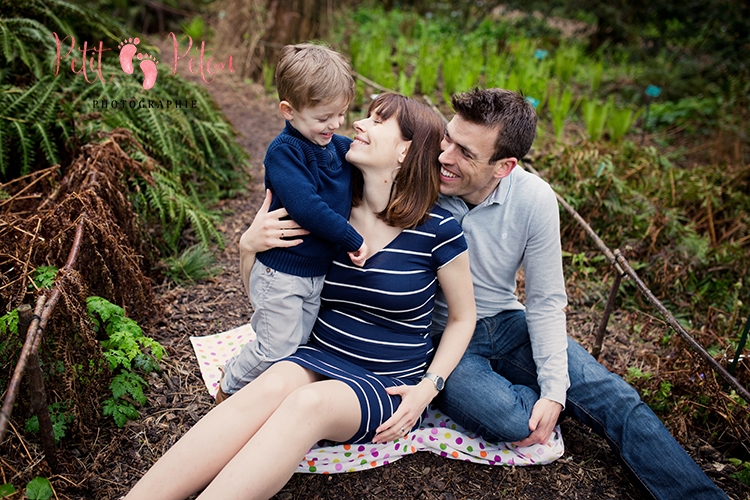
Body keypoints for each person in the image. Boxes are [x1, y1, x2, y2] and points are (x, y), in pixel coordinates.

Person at [124, 93, 476, 500]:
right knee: (269, 386)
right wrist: (248, 248)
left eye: (377, 121)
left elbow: (462, 318)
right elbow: (270, 294)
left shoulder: (438, 229)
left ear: (405, 150)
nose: (358, 124)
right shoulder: (328, 214)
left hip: (387, 381)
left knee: (306, 405)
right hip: (318, 353)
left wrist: (428, 388)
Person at [430, 88, 728, 500]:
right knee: (512, 420)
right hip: (447, 339)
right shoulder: (422, 183)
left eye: (465, 152)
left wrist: (555, 390)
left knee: (615, 395)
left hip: (507, 321)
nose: (445, 156)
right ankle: (505, 397)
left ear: (505, 166)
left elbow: (546, 300)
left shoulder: (534, 198)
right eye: (448, 138)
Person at [218, 43, 368, 399]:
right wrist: (352, 238)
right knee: (277, 348)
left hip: (314, 274)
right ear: (289, 111)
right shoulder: (284, 151)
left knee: (297, 343)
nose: (334, 124)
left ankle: (265, 388)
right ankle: (230, 384)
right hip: (281, 274)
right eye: (323, 117)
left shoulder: (333, 144)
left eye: (341, 114)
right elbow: (307, 207)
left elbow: (365, 154)